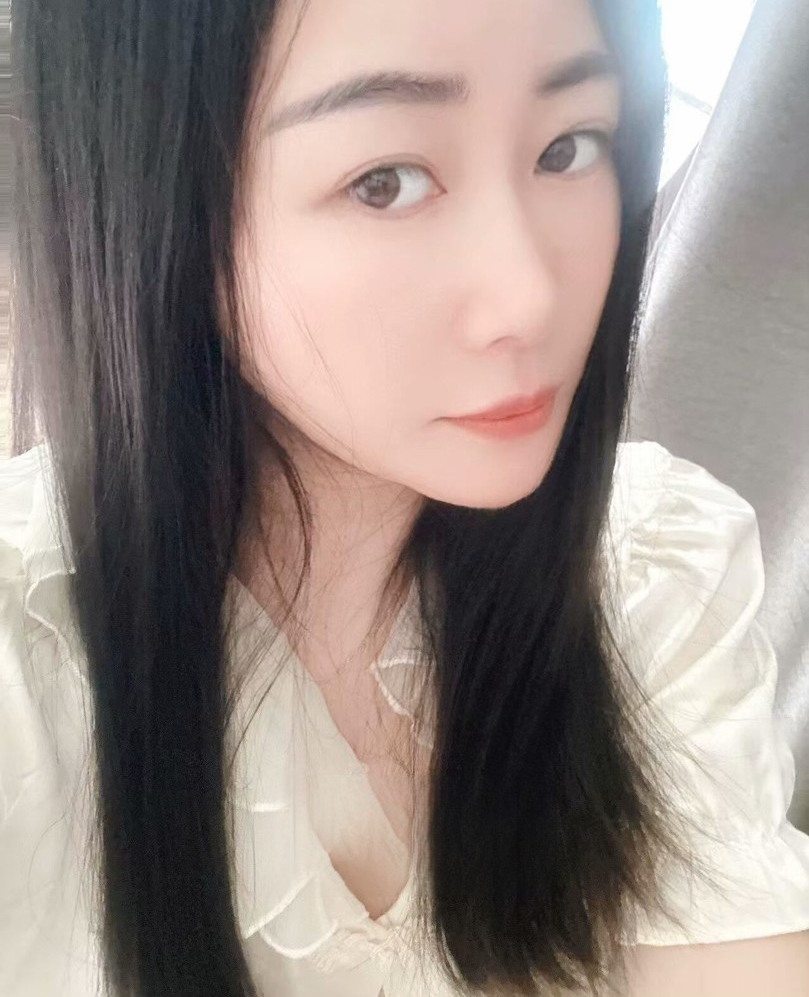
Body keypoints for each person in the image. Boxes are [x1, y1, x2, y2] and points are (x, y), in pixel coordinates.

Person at [3, 0, 809, 994]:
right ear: (148, 190)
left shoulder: (647, 570)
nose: (528, 295)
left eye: (566, 148)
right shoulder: (27, 676)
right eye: (384, 181)